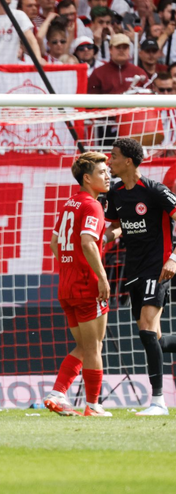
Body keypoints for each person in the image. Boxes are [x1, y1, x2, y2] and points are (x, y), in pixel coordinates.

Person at [105, 138, 176, 416]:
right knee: (153, 337)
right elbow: (118, 227)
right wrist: (100, 237)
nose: (109, 161)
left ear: (129, 162)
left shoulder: (155, 190)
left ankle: (158, 402)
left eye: (113, 156)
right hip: (133, 268)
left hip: (158, 265)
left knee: (146, 327)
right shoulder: (116, 192)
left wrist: (174, 258)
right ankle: (157, 401)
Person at [44, 152, 113, 417]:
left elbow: (53, 244)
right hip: (88, 285)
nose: (107, 176)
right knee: (95, 346)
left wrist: (71, 267)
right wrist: (102, 278)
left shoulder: (69, 203)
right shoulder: (94, 205)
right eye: (101, 172)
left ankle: (58, 393)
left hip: (67, 285)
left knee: (84, 347)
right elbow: (86, 242)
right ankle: (94, 405)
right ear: (87, 178)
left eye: (108, 171)